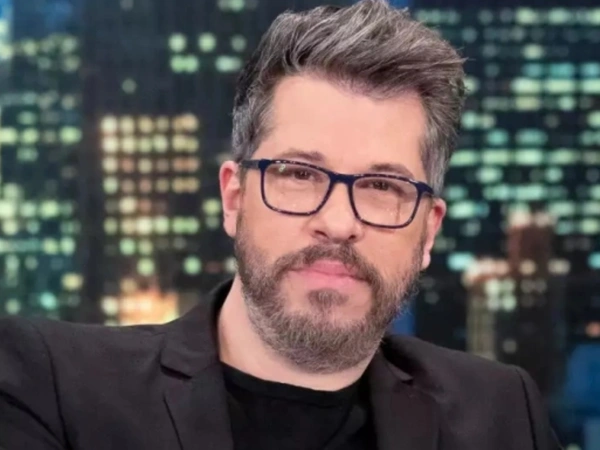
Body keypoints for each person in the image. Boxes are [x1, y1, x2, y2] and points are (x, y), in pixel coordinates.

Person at [0, 1, 562, 449]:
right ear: (234, 197)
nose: (338, 222)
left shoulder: (503, 412)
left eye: (383, 187)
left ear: (428, 232)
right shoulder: (52, 384)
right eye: (299, 174)